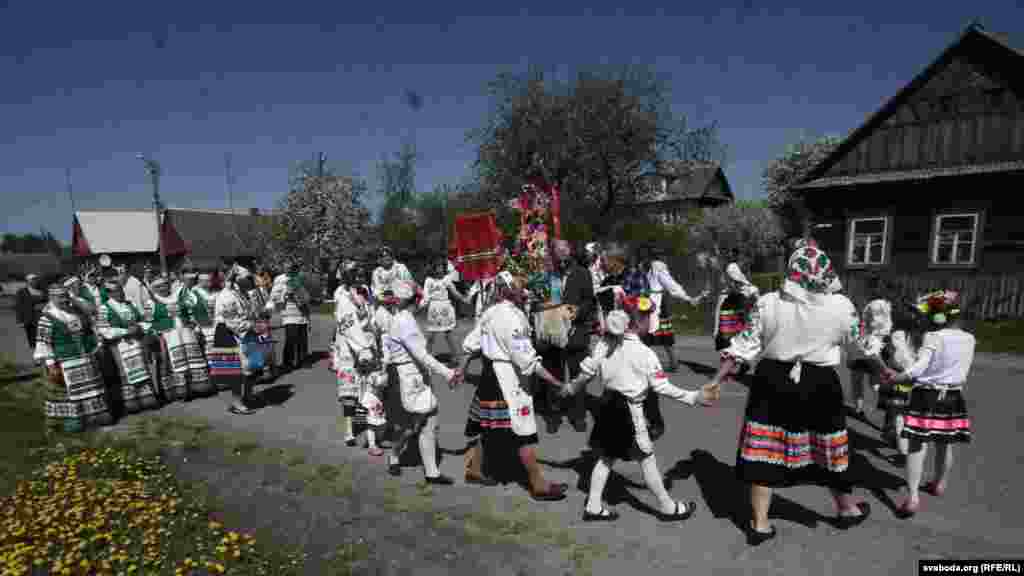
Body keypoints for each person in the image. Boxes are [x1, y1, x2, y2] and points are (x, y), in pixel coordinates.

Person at [708, 240, 871, 546]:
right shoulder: (841, 306)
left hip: (772, 381)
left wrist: (716, 381)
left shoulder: (768, 302)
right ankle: (847, 509)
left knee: (763, 449)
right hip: (820, 384)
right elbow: (862, 346)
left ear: (791, 269)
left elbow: (742, 348)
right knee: (829, 448)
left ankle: (760, 523)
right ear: (826, 271)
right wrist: (885, 370)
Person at [564, 301, 720, 521]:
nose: (650, 320)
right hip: (629, 410)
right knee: (646, 458)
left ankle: (593, 505)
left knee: (606, 457)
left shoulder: (605, 343)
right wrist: (694, 397)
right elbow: (661, 387)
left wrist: (571, 386)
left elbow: (588, 369)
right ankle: (667, 507)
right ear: (638, 321)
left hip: (607, 405)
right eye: (647, 316)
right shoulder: (645, 354)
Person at [457, 271, 570, 500]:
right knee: (522, 432)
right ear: (510, 291)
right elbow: (526, 359)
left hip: (492, 376)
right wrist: (556, 381)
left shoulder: (491, 312)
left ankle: (475, 470)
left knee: (491, 430)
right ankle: (538, 484)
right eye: (521, 288)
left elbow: (470, 344)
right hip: (506, 379)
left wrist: (461, 369)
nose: (526, 292)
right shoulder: (510, 318)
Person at [881, 290, 974, 518]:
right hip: (953, 396)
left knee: (916, 446)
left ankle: (913, 497)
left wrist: (898, 377)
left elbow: (919, 368)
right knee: (945, 443)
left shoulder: (934, 337)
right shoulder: (969, 338)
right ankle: (939, 483)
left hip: (927, 395)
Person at [384, 281, 461, 483]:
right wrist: (448, 373)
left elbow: (423, 300)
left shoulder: (405, 316)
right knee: (411, 426)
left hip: (414, 375)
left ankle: (431, 472)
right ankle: (394, 455)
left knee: (428, 421)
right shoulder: (405, 322)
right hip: (407, 377)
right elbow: (422, 355)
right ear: (411, 300)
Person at [33, 280, 114, 433]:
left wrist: (95, 346)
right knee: (69, 393)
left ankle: (95, 416)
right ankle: (74, 420)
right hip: (64, 362)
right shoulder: (47, 318)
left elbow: (90, 322)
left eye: (65, 296)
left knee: (90, 389)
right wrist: (51, 365)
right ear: (51, 298)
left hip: (84, 359)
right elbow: (44, 343)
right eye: (59, 297)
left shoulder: (76, 312)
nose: (63, 300)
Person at [94, 278, 161, 414]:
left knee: (142, 366)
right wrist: (125, 331)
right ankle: (131, 400)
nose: (120, 293)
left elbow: (143, 320)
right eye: (116, 291)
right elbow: (103, 329)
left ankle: (147, 397)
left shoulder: (130, 304)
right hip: (119, 345)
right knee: (125, 371)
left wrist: (139, 327)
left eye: (121, 290)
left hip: (136, 342)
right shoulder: (104, 308)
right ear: (109, 293)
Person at [334, 261, 378, 449]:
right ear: (347, 277)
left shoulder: (366, 292)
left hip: (367, 343)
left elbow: (372, 315)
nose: (360, 279)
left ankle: (370, 430)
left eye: (362, 275)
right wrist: (362, 348)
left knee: (369, 388)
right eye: (356, 276)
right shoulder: (341, 295)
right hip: (349, 348)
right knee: (349, 391)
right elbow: (348, 324)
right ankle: (349, 431)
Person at [213, 267, 261, 415]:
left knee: (253, 364)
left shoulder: (243, 293)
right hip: (230, 333)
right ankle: (236, 402)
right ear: (237, 280)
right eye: (247, 279)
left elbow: (252, 311)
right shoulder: (227, 296)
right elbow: (231, 320)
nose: (250, 282)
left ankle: (248, 395)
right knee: (236, 370)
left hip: (247, 331)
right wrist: (250, 326)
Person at [713, 262, 760, 382]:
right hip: (725, 324)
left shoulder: (750, 290)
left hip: (739, 324)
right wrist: (715, 328)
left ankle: (743, 365)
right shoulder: (724, 293)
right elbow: (718, 310)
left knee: (737, 347)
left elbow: (758, 305)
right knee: (725, 347)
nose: (729, 280)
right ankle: (726, 373)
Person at [420, 256, 471, 364]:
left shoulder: (447, 279)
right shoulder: (428, 280)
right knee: (431, 335)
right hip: (433, 309)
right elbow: (425, 295)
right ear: (433, 268)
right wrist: (421, 305)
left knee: (448, 334)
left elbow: (455, 292)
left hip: (445, 309)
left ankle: (455, 358)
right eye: (438, 267)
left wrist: (464, 299)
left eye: (442, 267)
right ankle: (426, 359)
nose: (441, 269)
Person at [849, 297, 893, 417]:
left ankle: (860, 408)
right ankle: (864, 407)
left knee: (861, 381)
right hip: (867, 350)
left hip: (866, 350)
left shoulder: (871, 313)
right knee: (870, 382)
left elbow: (861, 331)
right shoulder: (883, 314)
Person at [270, 260, 311, 372]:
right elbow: (273, 296)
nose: (289, 269)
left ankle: (302, 360)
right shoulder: (279, 279)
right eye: (287, 267)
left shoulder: (300, 278)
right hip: (289, 312)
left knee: (302, 338)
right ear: (283, 268)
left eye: (291, 267)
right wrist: (285, 295)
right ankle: (288, 362)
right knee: (291, 338)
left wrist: (304, 300)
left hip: (302, 312)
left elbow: (307, 294)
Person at [15, 274, 46, 350]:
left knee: (43, 338)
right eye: (32, 280)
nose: (34, 282)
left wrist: (42, 305)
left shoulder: (42, 291)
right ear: (27, 281)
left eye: (35, 280)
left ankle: (42, 352)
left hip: (42, 317)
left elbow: (47, 301)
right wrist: (19, 320)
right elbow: (19, 306)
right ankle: (35, 354)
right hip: (29, 319)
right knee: (32, 339)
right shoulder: (22, 292)